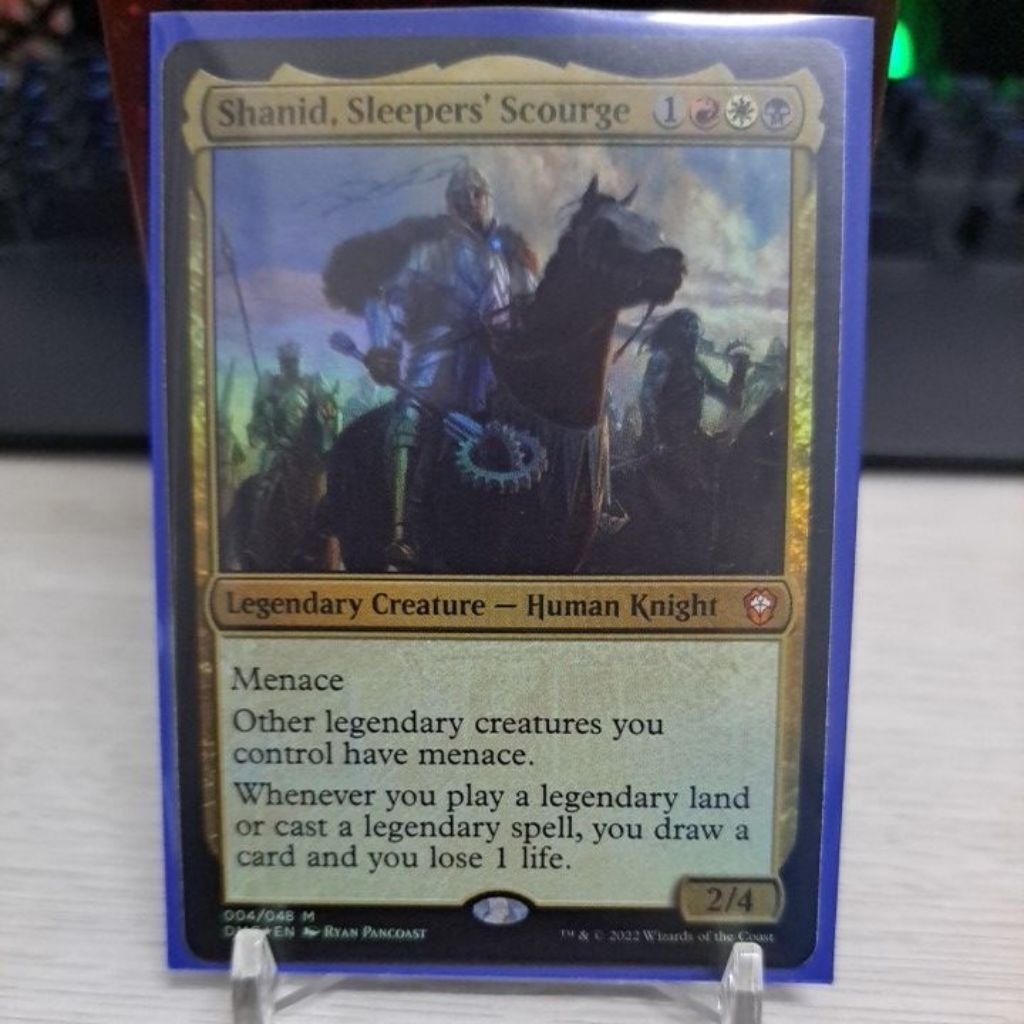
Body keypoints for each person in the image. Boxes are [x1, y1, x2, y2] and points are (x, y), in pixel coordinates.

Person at [360, 164, 537, 569]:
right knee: (408, 424)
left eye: (477, 194)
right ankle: (402, 533)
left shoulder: (511, 255)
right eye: (461, 195)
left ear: (488, 200)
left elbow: (527, 314)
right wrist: (384, 349)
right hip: (436, 368)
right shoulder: (427, 253)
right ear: (450, 203)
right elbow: (388, 300)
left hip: (497, 371)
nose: (470, 201)